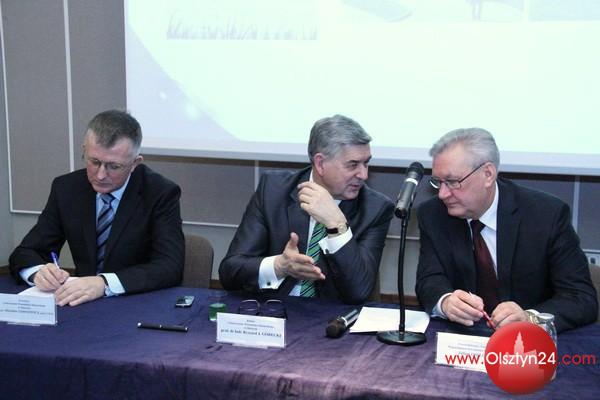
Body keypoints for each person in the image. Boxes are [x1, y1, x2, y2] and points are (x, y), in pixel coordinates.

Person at [416, 127, 598, 332]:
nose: (442, 194)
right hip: (462, 337)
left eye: (452, 182)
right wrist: (446, 302)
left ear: (488, 174)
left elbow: (581, 298)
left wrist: (529, 318)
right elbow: (429, 279)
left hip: (529, 343)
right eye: (438, 182)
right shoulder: (433, 214)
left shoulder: (546, 215)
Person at [9, 110, 184, 306]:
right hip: (81, 304)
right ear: (84, 150)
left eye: (113, 166)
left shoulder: (160, 193)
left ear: (135, 163)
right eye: (94, 162)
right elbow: (25, 252)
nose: (100, 175)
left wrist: (104, 283)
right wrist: (38, 272)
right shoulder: (67, 188)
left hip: (135, 303)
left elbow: (169, 267)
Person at [219, 115, 394, 304]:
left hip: (330, 316)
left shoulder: (375, 209)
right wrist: (279, 266)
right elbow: (230, 272)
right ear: (320, 163)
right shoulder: (273, 191)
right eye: (353, 165)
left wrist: (337, 225)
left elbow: (359, 292)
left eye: (366, 163)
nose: (364, 174)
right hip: (273, 310)